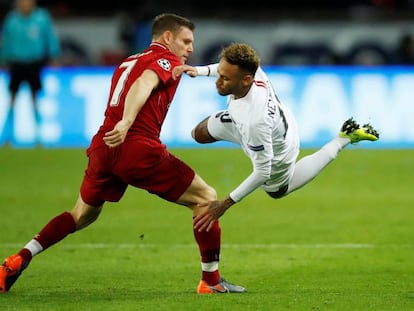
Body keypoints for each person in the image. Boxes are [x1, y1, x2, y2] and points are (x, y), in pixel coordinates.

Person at [0, 13, 246, 295]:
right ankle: (211, 281)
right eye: (186, 41)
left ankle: (19, 258)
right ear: (167, 38)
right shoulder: (164, 60)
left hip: (104, 147)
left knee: (81, 215)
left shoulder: (129, 61)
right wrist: (128, 121)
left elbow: (136, 81)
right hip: (136, 146)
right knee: (206, 198)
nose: (190, 48)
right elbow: (144, 83)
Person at [172, 42, 379, 232]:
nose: (218, 82)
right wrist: (197, 71)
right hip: (270, 121)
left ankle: (343, 139)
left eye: (224, 79)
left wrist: (224, 204)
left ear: (246, 81)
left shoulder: (255, 120)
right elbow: (222, 67)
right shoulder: (254, 71)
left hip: (277, 148)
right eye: (219, 75)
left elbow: (262, 172)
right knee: (197, 134)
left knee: (278, 190)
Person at [0, 0, 60, 145]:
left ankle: (38, 136)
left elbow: (50, 37)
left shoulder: (41, 18)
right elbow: (5, 41)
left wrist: (54, 55)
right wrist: (3, 58)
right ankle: (8, 136)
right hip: (17, 63)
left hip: (34, 64)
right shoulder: (12, 20)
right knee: (12, 101)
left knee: (35, 101)